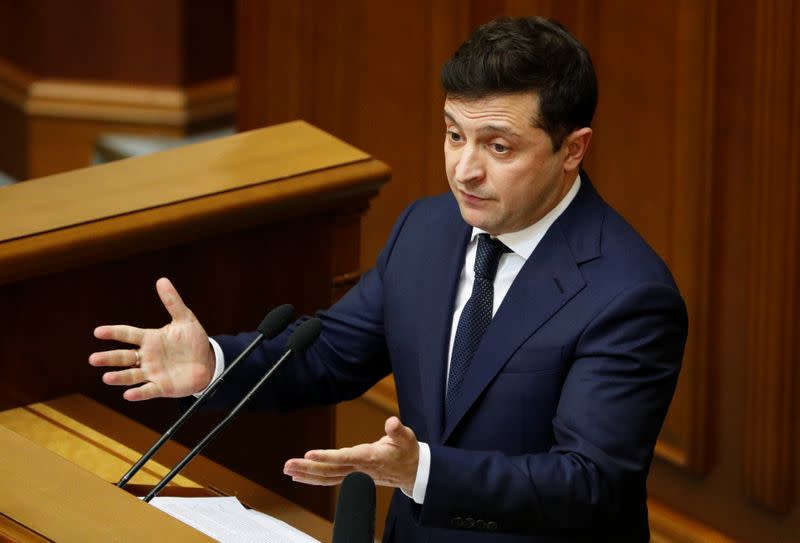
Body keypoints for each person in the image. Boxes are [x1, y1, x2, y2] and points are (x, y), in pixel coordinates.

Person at [90, 16, 687, 542]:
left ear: (573, 149)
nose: (465, 169)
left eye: (498, 146)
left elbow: (590, 484)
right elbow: (330, 353)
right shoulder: (426, 229)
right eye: (455, 135)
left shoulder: (628, 295)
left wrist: (421, 472)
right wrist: (218, 363)